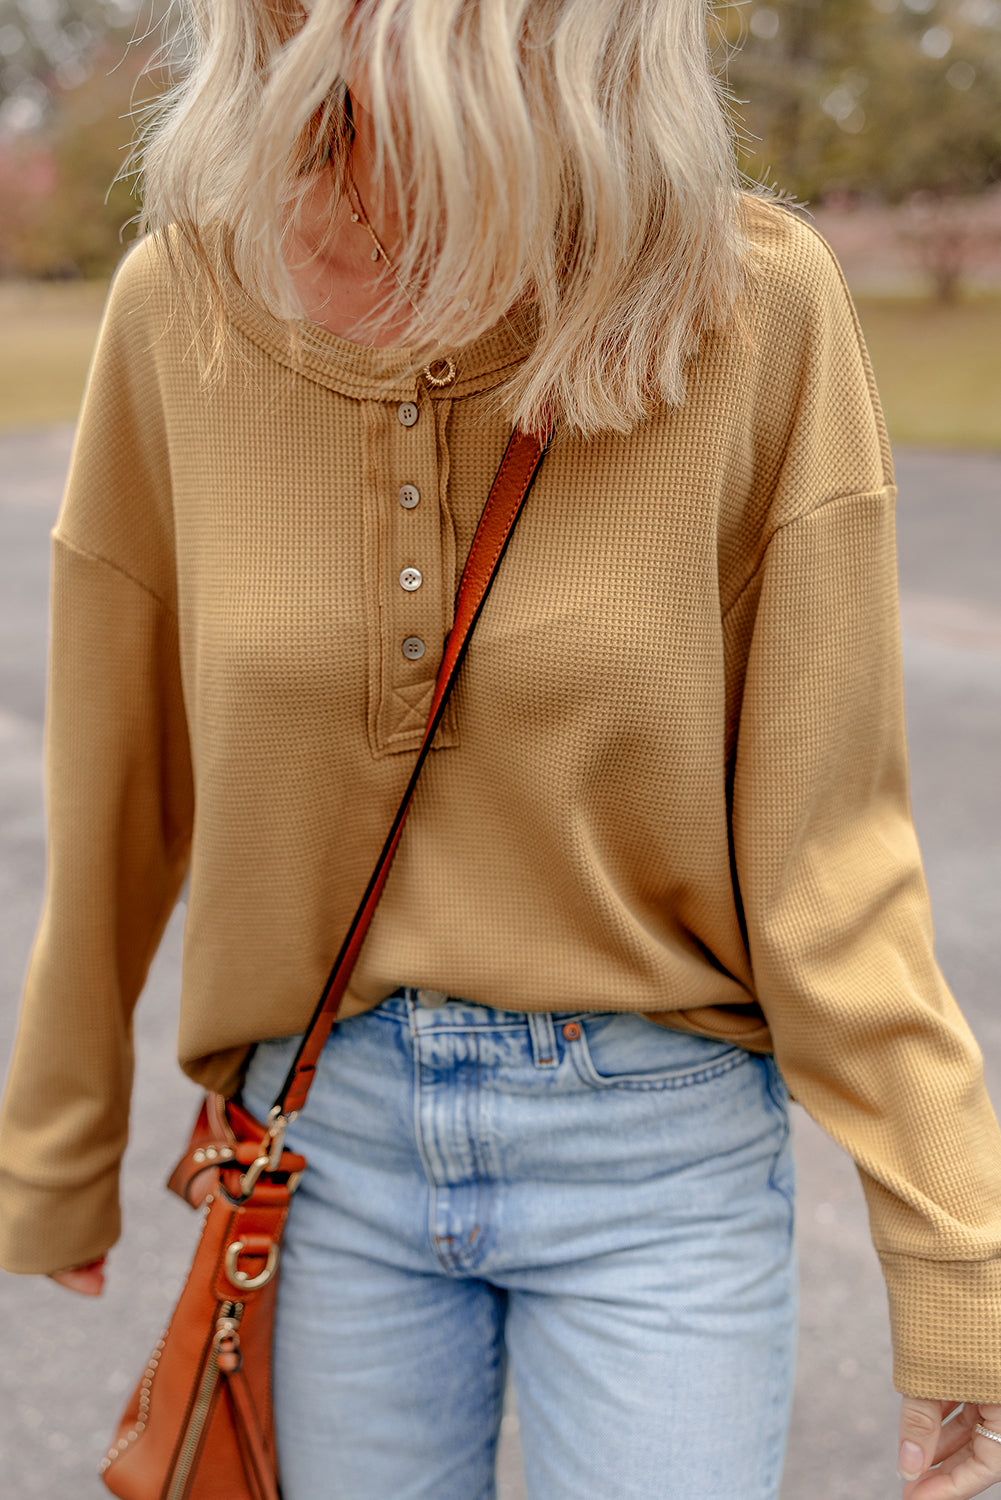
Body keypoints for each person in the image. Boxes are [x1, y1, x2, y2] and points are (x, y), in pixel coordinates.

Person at [1, 1, 1000, 1496]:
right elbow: (116, 791)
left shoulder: (753, 303)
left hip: (657, 1161)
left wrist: (954, 1251)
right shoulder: (183, 306)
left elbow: (830, 854)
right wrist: (58, 1145)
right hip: (323, 1153)